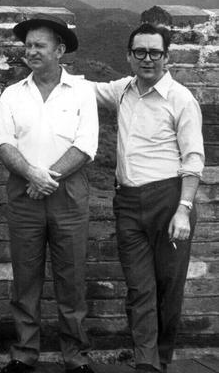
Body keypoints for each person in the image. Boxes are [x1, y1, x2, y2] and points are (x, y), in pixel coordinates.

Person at [93, 23, 204, 372]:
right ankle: (146, 362)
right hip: (127, 202)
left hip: (169, 200)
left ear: (167, 57)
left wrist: (183, 210)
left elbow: (194, 159)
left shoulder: (181, 99)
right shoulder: (122, 90)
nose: (147, 59)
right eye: (139, 52)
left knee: (168, 289)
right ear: (128, 56)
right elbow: (82, 91)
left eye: (155, 53)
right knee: (139, 288)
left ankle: (162, 360)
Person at [0, 14, 98, 373]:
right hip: (24, 194)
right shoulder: (12, 95)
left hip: (68, 194)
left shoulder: (83, 92)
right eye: (28, 46)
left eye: (39, 45)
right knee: (25, 278)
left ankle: (76, 357)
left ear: (60, 50)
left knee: (71, 279)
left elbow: (86, 145)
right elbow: (3, 143)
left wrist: (46, 177)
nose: (31, 51)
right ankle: (23, 354)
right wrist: (31, 175)